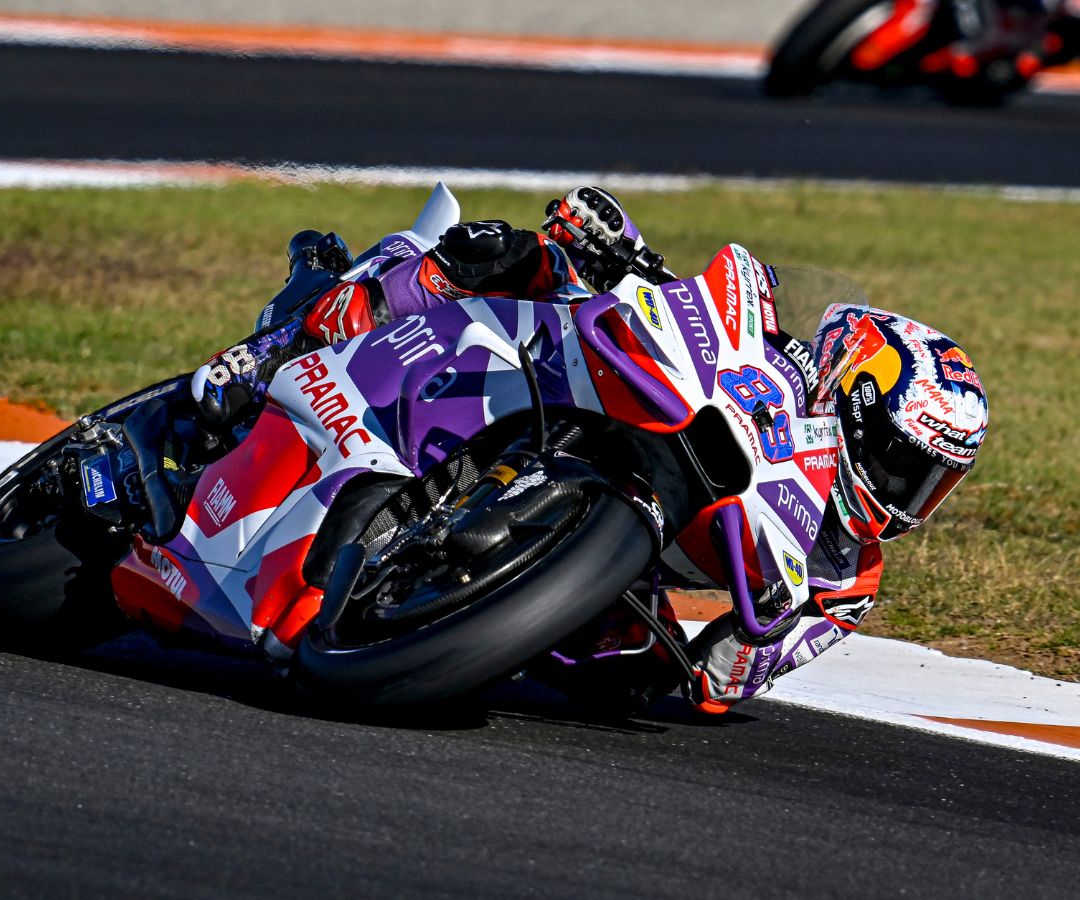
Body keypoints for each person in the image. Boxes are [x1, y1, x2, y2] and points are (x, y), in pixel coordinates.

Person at [190, 187, 989, 716]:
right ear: (849, 395)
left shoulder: (848, 581)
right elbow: (692, 312)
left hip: (618, 574)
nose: (905, 495)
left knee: (626, 678)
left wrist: (716, 662)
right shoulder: (777, 357)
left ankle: (426, 600)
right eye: (899, 462)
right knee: (507, 254)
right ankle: (275, 348)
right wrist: (621, 248)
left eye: (929, 483)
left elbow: (722, 679)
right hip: (603, 402)